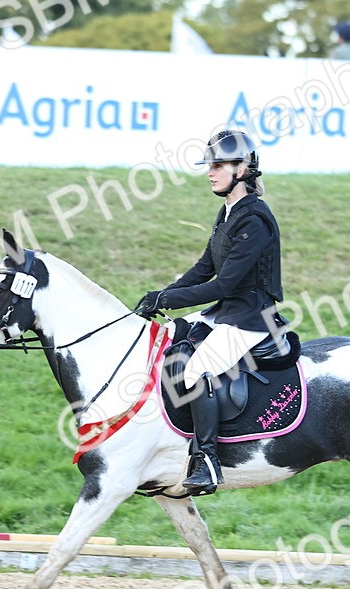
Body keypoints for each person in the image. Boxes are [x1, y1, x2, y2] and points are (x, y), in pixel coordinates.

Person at [134, 130, 285, 495]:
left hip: (251, 316)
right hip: (227, 310)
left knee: (198, 367)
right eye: (210, 165)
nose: (210, 172)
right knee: (173, 338)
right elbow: (204, 269)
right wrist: (160, 296)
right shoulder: (228, 211)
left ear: (243, 168)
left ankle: (207, 460)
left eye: (218, 165)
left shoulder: (255, 219)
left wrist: (167, 300)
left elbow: (225, 284)